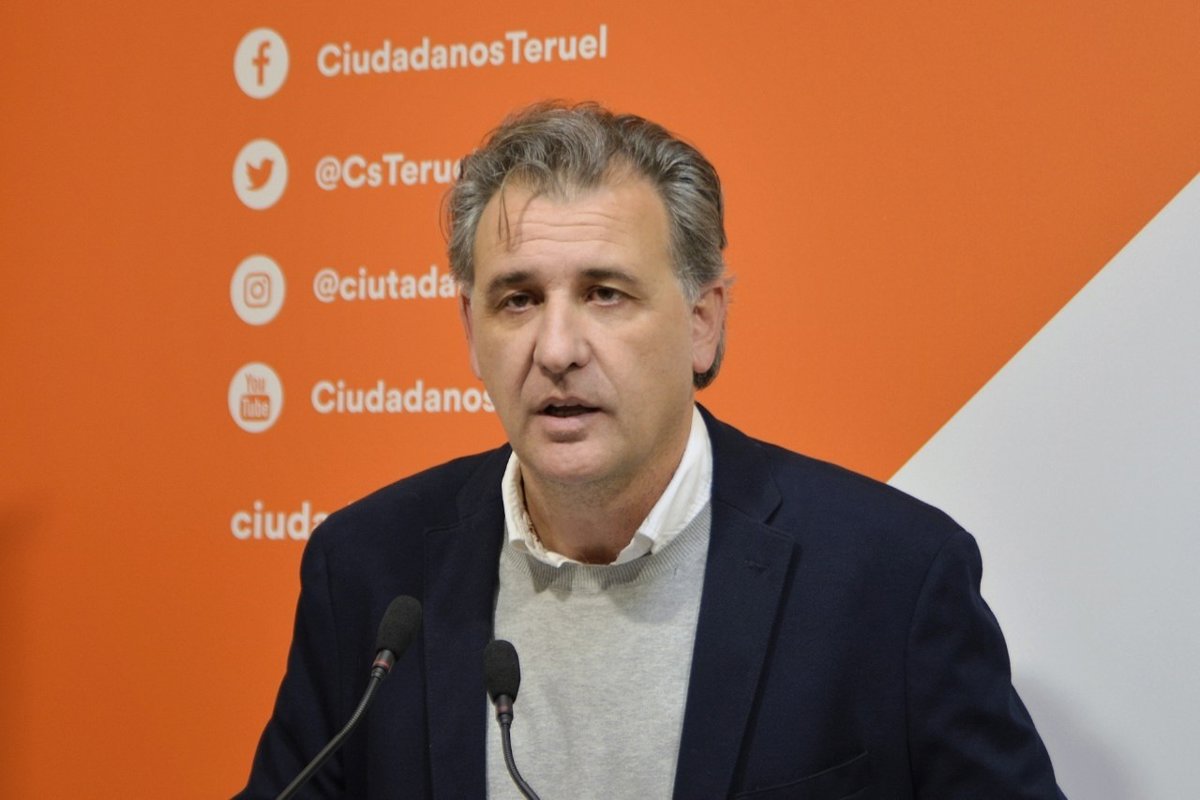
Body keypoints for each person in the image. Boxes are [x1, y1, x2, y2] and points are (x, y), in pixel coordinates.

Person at [237, 102, 1065, 799]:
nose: (557, 348)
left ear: (703, 323)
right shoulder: (369, 571)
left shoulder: (892, 579)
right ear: (469, 332)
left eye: (605, 294)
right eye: (517, 300)